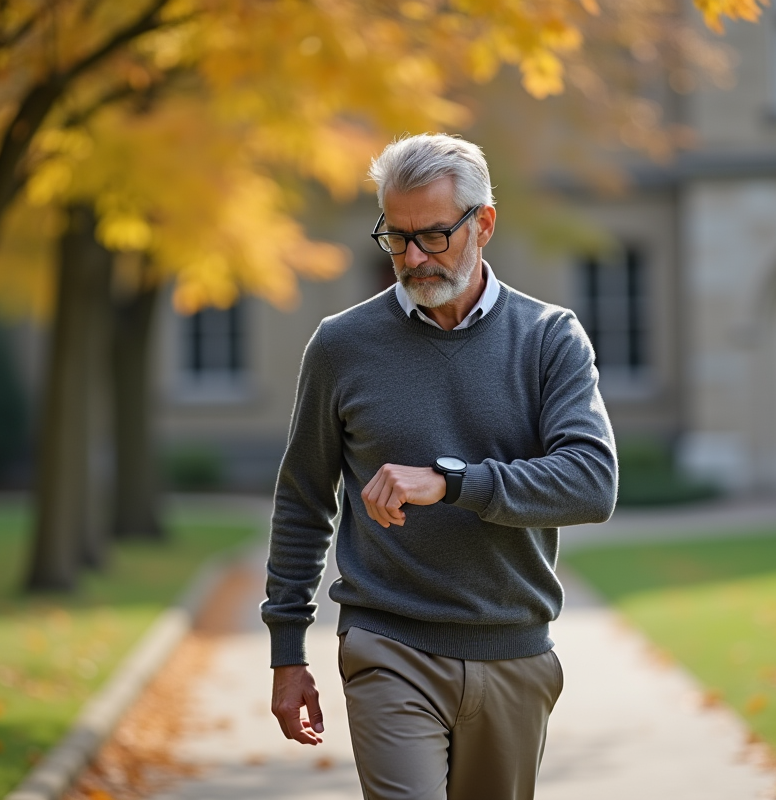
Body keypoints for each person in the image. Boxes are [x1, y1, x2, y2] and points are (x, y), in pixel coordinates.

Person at [262, 132, 618, 800]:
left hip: (513, 649)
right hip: (387, 645)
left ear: (482, 223)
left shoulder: (549, 339)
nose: (413, 258)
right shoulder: (342, 346)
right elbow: (302, 499)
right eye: (396, 238)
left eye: (432, 236)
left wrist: (453, 481)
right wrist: (287, 652)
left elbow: (591, 482)